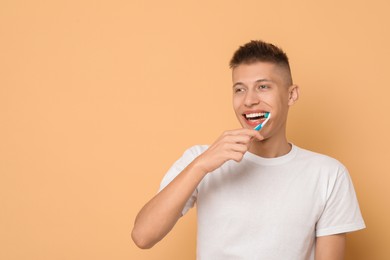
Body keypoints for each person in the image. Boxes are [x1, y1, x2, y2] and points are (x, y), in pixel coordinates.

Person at [131, 40, 365, 259]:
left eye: (263, 87)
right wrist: (201, 165)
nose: (249, 101)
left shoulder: (329, 174)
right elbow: (143, 236)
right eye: (239, 89)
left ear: (291, 94)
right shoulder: (200, 159)